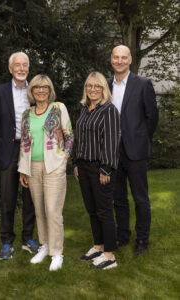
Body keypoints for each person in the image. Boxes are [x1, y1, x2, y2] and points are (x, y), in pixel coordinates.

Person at [18, 74, 74, 271]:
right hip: (32, 167)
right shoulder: (26, 113)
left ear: (50, 90)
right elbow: (24, 143)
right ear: (31, 91)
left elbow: (69, 135)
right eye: (37, 87)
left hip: (54, 166)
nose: (41, 90)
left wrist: (64, 159)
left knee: (52, 210)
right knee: (39, 209)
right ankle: (45, 246)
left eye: (45, 87)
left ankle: (57, 253)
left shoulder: (58, 108)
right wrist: (22, 170)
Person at [108, 45, 158, 256]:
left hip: (135, 151)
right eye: (116, 57)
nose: (119, 61)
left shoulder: (143, 84)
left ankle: (142, 239)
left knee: (140, 198)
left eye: (123, 58)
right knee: (118, 198)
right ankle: (122, 235)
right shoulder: (106, 85)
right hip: (112, 150)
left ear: (130, 60)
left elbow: (152, 117)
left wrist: (140, 139)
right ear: (111, 60)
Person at [0, 52, 37, 260]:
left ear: (28, 68)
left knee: (30, 197)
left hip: (31, 150)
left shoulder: (37, 91)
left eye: (24, 65)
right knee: (8, 198)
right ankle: (7, 242)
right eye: (17, 65)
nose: (21, 68)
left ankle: (28, 238)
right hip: (9, 150)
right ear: (10, 69)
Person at [73, 71, 120, 270]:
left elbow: (111, 141)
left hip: (100, 167)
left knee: (104, 211)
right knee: (92, 210)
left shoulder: (109, 110)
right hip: (83, 167)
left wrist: (106, 169)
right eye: (89, 86)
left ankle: (109, 256)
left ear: (103, 89)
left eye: (97, 86)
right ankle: (98, 246)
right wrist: (75, 163)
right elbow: (79, 138)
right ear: (86, 88)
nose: (93, 89)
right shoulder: (85, 109)